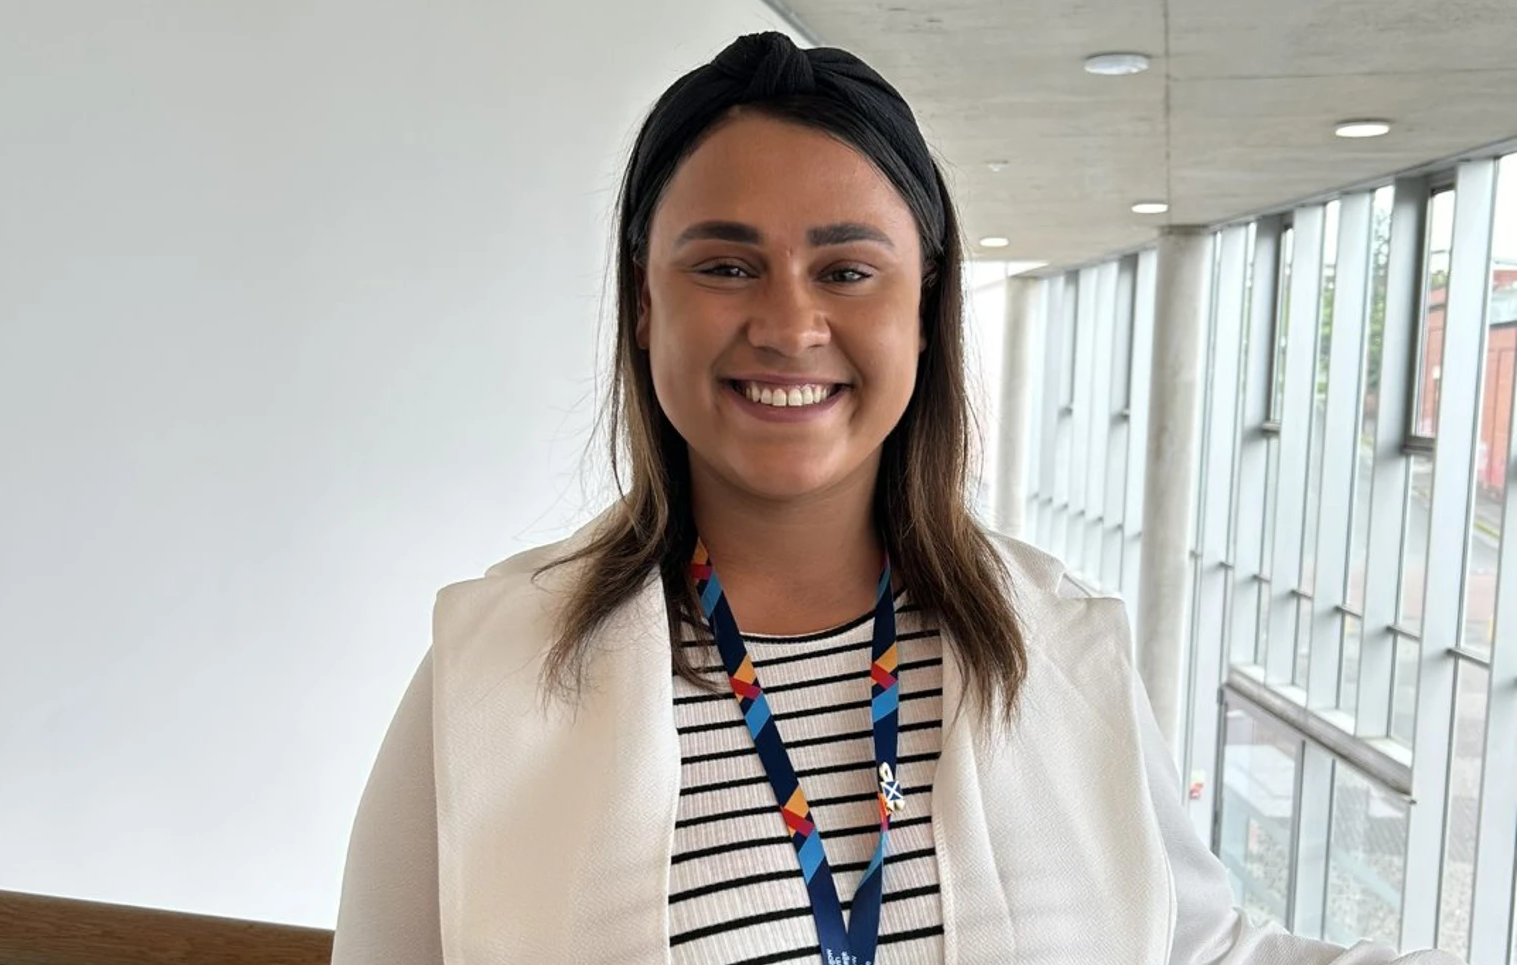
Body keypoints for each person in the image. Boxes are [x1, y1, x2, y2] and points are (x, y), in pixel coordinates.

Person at [328, 32, 1463, 965]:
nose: (786, 323)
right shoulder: (493, 669)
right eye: (724, 265)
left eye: (845, 269)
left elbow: (1197, 945)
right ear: (641, 304)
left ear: (923, 304)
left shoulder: (1060, 644)